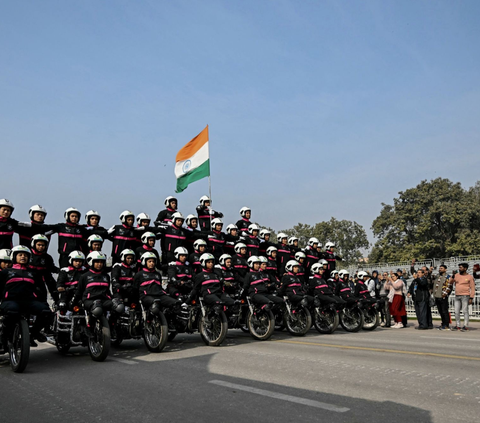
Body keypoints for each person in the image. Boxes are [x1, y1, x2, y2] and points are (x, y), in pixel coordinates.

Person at [0, 245, 53, 345]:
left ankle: (33, 334)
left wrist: (43, 302)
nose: (23, 257)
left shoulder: (34, 273)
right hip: (11, 301)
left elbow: (41, 290)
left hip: (29, 301)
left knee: (47, 312)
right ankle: (5, 335)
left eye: (25, 255)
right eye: (20, 255)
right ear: (14, 256)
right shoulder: (6, 272)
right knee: (12, 311)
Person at [72, 252, 123, 324]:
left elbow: (107, 291)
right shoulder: (84, 276)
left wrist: (114, 299)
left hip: (104, 300)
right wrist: (74, 303)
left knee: (119, 306)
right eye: (97, 262)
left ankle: (113, 325)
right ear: (91, 262)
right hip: (90, 300)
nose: (99, 264)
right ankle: (90, 327)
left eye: (101, 262)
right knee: (97, 309)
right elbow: (79, 291)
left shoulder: (106, 276)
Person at [29, 234, 58, 305]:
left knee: (50, 291)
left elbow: (52, 268)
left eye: (43, 245)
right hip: (30, 279)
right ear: (33, 244)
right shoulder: (28, 255)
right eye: (39, 245)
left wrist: (61, 270)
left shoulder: (47, 257)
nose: (41, 247)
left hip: (44, 278)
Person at [451, 263, 476, 331]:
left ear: (465, 268)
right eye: (459, 267)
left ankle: (465, 325)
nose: (459, 269)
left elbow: (472, 288)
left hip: (465, 295)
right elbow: (450, 282)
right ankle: (458, 325)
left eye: (461, 267)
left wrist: (471, 297)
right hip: (457, 295)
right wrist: (453, 276)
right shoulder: (456, 275)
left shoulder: (469, 277)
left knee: (465, 311)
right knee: (456, 311)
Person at [432, 264, 451, 330]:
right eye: (439, 268)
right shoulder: (437, 276)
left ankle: (446, 325)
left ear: (445, 269)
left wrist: (445, 294)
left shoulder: (448, 277)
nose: (440, 269)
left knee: (444, 311)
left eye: (441, 268)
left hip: (443, 297)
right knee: (440, 311)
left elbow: (449, 287)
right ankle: (443, 324)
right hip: (437, 296)